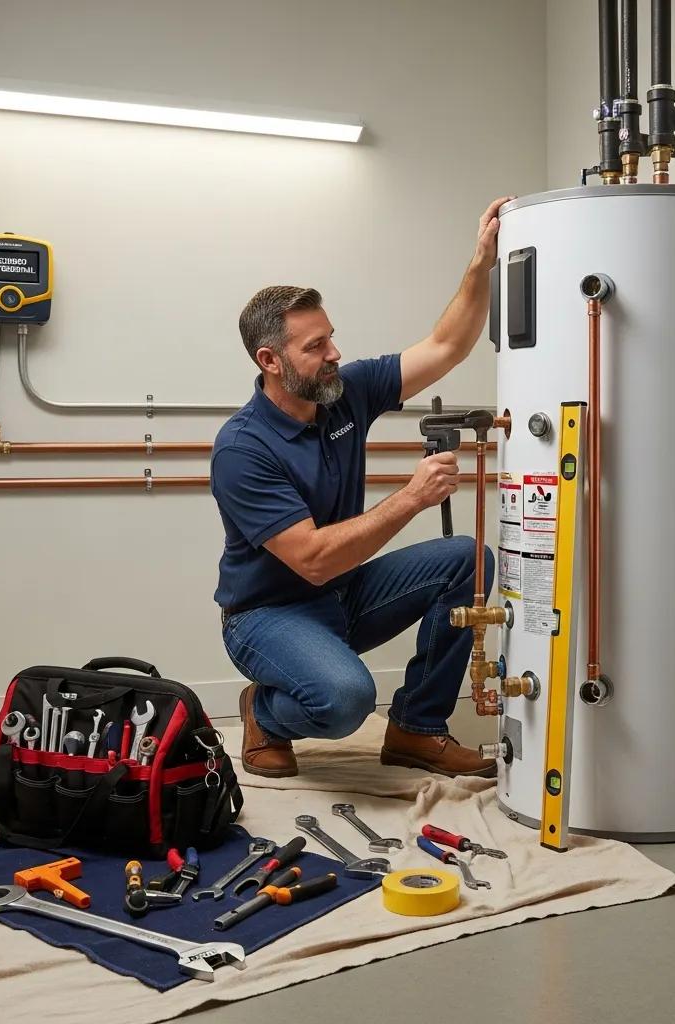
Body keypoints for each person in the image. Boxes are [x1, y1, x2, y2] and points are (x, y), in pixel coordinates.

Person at [212, 196, 513, 779]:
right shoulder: (242, 449)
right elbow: (314, 562)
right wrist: (411, 498)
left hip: (344, 594)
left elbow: (446, 346)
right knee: (347, 699)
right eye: (316, 347)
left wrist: (482, 263)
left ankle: (416, 729)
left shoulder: (344, 391)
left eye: (331, 337)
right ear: (270, 360)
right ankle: (265, 712)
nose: (335, 354)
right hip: (268, 614)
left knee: (468, 562)